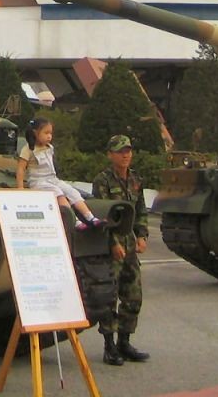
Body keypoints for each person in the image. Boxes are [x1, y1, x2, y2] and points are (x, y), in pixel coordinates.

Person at [89, 134, 149, 366]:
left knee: (133, 295)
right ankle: (109, 346)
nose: (126, 155)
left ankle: (125, 342)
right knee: (109, 296)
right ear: (110, 154)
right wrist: (112, 243)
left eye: (128, 150)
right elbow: (103, 215)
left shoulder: (135, 180)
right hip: (110, 246)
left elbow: (140, 209)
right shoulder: (102, 181)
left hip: (130, 245)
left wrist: (142, 234)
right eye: (120, 151)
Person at [15, 117, 100, 230]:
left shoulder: (49, 148)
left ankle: (90, 217)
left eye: (50, 133)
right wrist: (20, 187)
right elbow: (21, 168)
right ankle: (74, 221)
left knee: (72, 191)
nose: (49, 136)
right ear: (35, 132)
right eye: (46, 133)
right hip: (38, 181)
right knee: (58, 194)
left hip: (52, 179)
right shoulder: (28, 149)